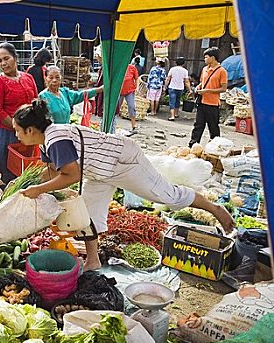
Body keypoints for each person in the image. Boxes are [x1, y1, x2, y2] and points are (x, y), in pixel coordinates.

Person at [13, 99, 235, 271]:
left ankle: (215, 209)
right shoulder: (47, 142)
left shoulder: (56, 139)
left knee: (168, 196)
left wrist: (39, 190)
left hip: (122, 161)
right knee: (86, 215)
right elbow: (52, 171)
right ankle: (93, 261)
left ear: (30, 130)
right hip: (99, 171)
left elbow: (71, 175)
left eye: (17, 130)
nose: (16, 135)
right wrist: (22, 184)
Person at [0, 42, 38, 184]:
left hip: (29, 130)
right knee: (9, 167)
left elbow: (35, 100)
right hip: (7, 132)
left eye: (6, 58)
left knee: (27, 166)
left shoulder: (28, 77)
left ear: (15, 58)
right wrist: (17, 128)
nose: (3, 63)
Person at [189, 47, 228, 147]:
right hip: (202, 102)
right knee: (198, 125)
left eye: (206, 57)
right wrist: (199, 87)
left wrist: (208, 91)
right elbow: (203, 83)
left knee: (213, 127)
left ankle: (215, 147)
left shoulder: (222, 71)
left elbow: (223, 88)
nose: (204, 59)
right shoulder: (204, 69)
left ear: (213, 58)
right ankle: (193, 145)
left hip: (213, 104)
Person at [118, 64, 139, 132]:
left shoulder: (132, 67)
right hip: (119, 91)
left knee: (131, 106)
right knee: (116, 108)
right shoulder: (118, 66)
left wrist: (137, 87)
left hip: (130, 91)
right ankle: (112, 124)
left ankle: (134, 126)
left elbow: (136, 78)